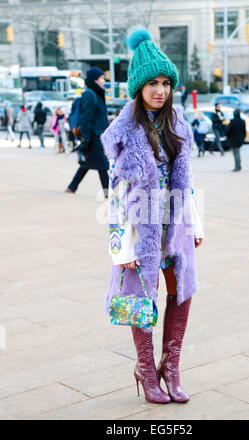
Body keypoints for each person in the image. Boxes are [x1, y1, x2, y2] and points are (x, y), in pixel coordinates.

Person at [101, 29, 204, 404]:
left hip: (174, 228)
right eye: (152, 83)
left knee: (181, 294)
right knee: (142, 301)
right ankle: (146, 373)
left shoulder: (178, 124)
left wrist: (195, 223)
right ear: (138, 88)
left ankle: (170, 368)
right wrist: (121, 247)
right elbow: (116, 196)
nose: (160, 90)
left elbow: (187, 180)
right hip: (138, 231)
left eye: (165, 82)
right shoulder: (126, 131)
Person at [65, 67, 109, 196]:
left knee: (87, 164)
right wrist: (86, 137)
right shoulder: (90, 94)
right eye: (101, 78)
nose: (103, 81)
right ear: (95, 79)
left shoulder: (97, 93)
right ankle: (108, 193)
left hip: (97, 134)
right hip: (94, 136)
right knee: (102, 166)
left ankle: (72, 187)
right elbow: (86, 118)